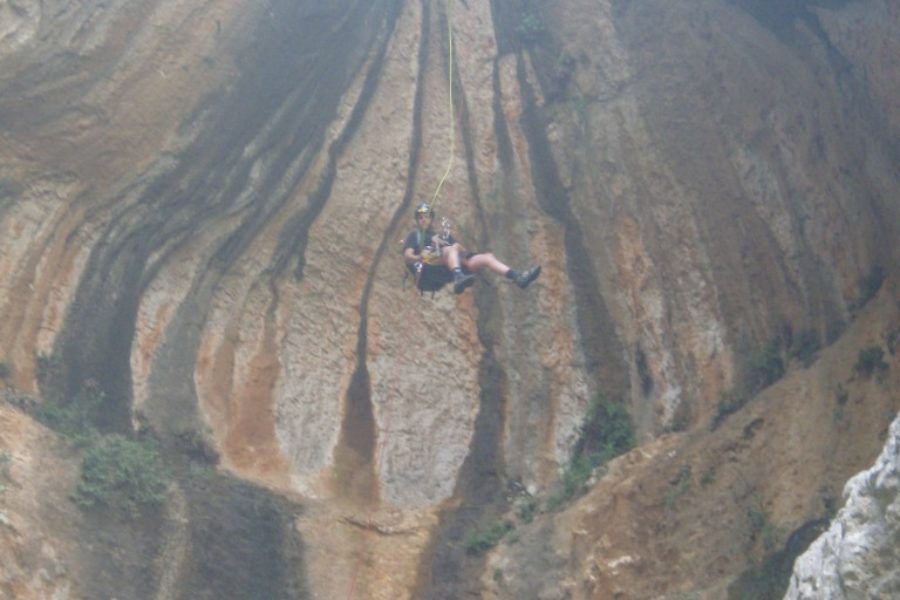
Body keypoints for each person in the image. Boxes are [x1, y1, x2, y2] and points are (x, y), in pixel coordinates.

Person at [403, 202, 541, 295]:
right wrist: (419, 257)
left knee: (487, 258)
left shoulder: (442, 236)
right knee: (450, 250)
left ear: (431, 219)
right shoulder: (415, 236)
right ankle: (458, 276)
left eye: (426, 217)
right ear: (417, 220)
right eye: (420, 218)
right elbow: (407, 256)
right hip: (428, 269)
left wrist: (457, 247)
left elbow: (461, 252)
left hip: (448, 267)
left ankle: (518, 277)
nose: (423, 220)